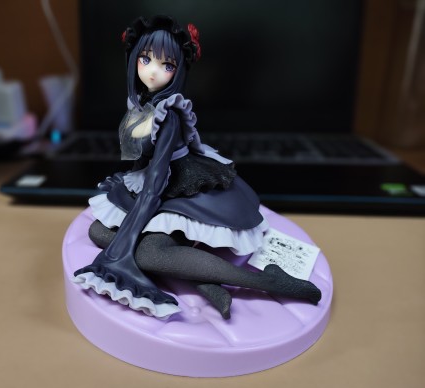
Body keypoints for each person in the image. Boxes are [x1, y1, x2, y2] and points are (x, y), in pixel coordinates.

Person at [74, 15, 321, 319]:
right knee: (99, 231)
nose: (153, 71)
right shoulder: (141, 104)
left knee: (148, 251)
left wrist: (128, 238)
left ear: (178, 70)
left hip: (178, 185)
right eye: (145, 59)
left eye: (167, 65)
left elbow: (158, 179)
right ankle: (203, 281)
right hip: (151, 181)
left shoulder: (169, 114)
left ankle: (268, 281)